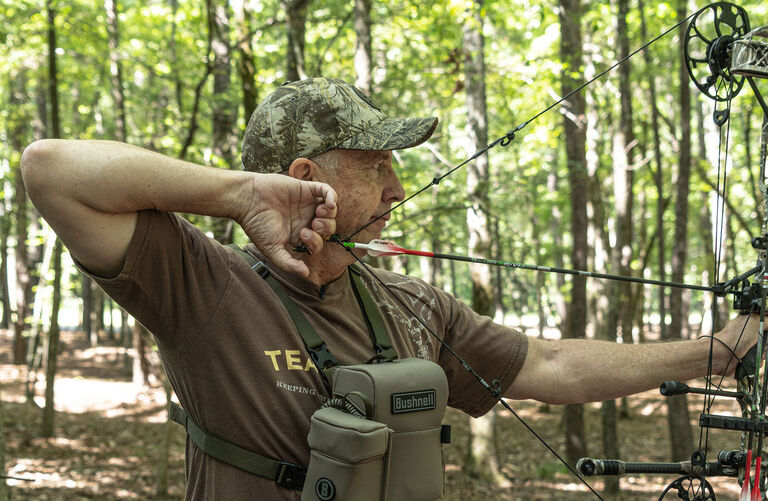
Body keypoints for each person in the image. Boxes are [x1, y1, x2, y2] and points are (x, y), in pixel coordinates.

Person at [21, 77, 759, 500]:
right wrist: (242, 194)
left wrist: (714, 353)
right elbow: (50, 169)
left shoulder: (410, 302)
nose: (398, 189)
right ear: (305, 179)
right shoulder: (200, 283)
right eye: (376, 165)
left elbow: (553, 364)